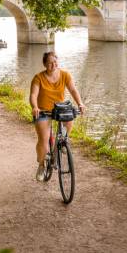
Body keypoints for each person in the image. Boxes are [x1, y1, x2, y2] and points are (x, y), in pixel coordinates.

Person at [29, 51, 85, 181]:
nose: (53, 65)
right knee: (44, 139)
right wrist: (35, 107)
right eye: (49, 63)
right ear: (44, 64)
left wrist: (80, 103)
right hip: (43, 111)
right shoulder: (38, 78)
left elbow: (73, 90)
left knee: (70, 119)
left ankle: (61, 143)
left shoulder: (65, 75)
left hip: (59, 110)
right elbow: (33, 95)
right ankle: (42, 165)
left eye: (55, 62)